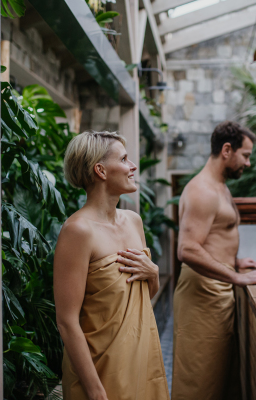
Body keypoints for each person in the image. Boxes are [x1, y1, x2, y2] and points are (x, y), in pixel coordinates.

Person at [54, 131, 170, 400]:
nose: (133, 166)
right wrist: (96, 392)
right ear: (101, 170)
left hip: (140, 360)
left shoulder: (134, 221)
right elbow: (67, 321)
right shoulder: (78, 231)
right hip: (98, 371)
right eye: (125, 159)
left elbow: (142, 295)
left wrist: (153, 273)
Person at [172, 121, 256, 400]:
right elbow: (188, 250)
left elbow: (213, 237)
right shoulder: (202, 190)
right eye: (246, 155)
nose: (249, 163)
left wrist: (235, 261)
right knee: (199, 382)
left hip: (217, 289)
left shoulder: (219, 187)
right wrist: (237, 277)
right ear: (227, 150)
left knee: (219, 379)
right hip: (202, 293)